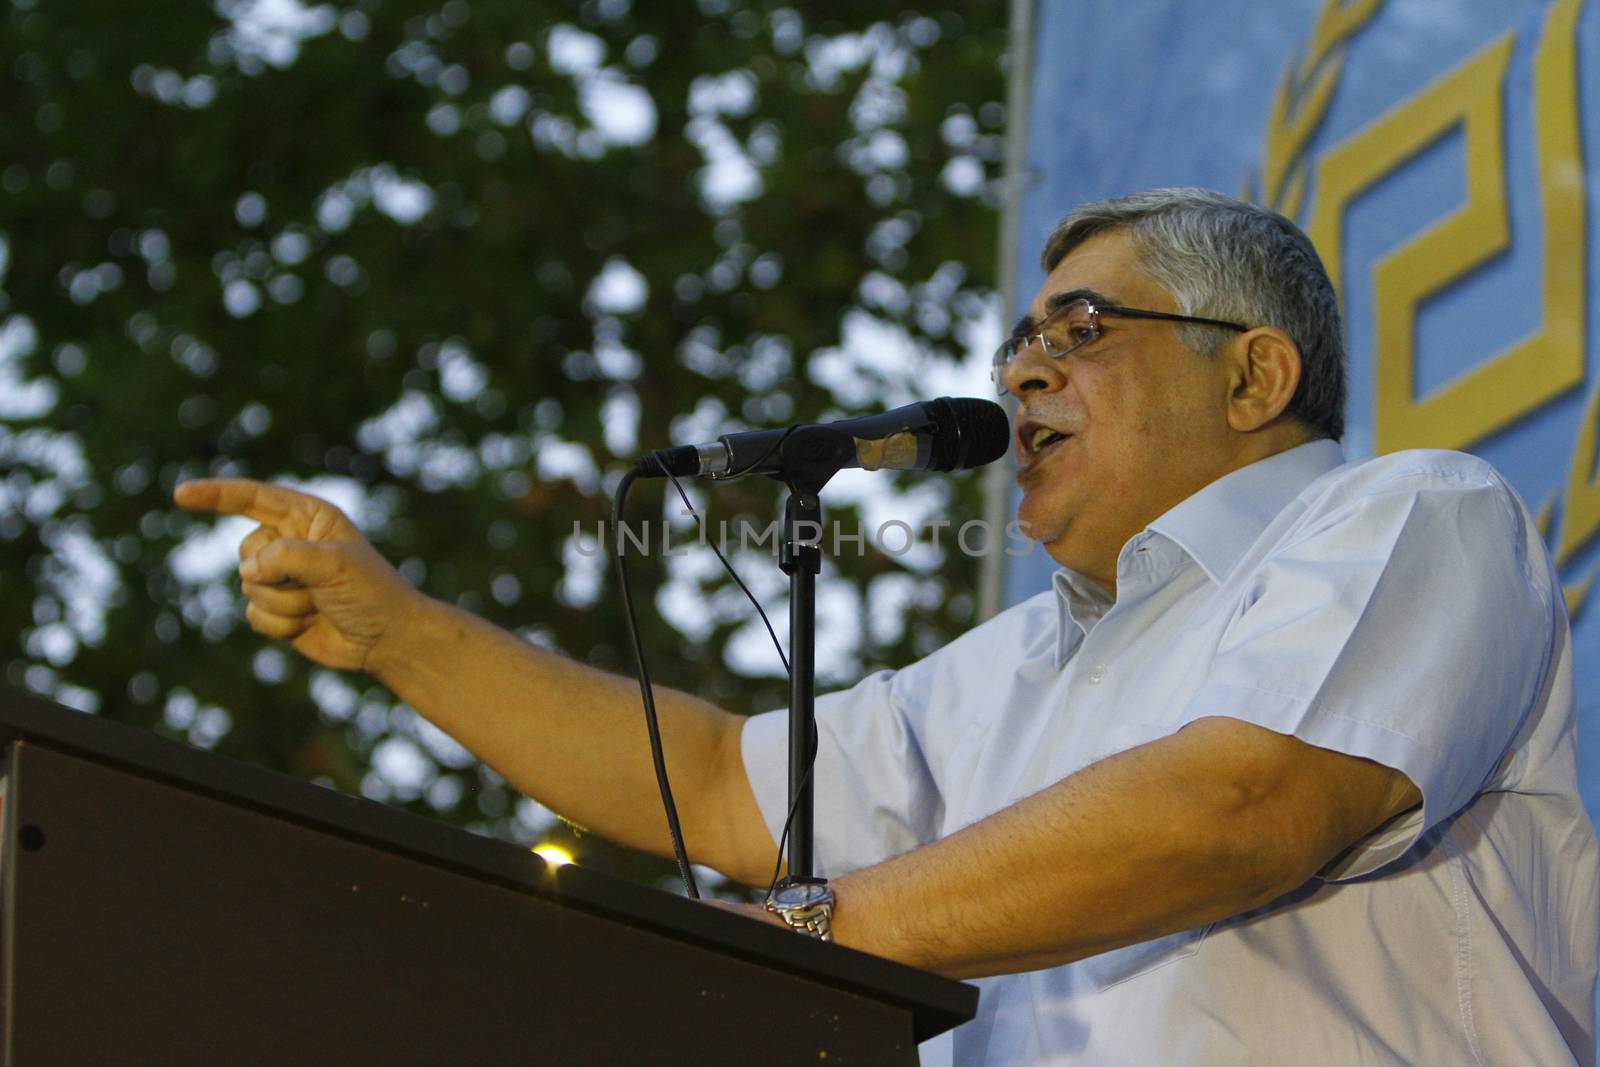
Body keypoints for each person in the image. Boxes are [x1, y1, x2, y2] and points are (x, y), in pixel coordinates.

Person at [175, 188, 1599, 1065]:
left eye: (1081, 329)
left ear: (1255, 376)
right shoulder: (1016, 665)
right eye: (1016, 344)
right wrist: (399, 636)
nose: (1024, 370)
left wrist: (797, 935)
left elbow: (1243, 801)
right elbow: (729, 785)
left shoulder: (1409, 516)